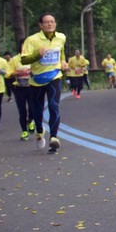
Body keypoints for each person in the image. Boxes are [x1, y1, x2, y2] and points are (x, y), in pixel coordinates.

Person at [21, 13, 69, 153]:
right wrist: (38, 55)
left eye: (52, 21)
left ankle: (54, 138)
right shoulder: (32, 40)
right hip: (37, 79)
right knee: (37, 109)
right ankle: (39, 131)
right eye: (47, 22)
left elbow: (62, 52)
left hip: (55, 75)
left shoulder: (61, 37)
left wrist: (63, 62)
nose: (50, 24)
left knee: (54, 105)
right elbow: (23, 60)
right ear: (40, 25)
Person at [7, 48, 34, 140]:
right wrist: (19, 73)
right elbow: (8, 74)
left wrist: (31, 72)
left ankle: (30, 121)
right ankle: (24, 132)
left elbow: (38, 70)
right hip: (19, 88)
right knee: (22, 111)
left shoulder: (33, 58)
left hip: (31, 87)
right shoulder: (14, 59)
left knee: (32, 108)